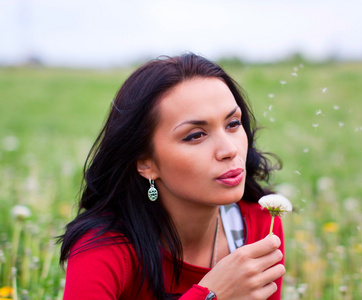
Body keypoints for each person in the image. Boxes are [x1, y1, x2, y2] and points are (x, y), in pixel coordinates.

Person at [59, 53, 285, 300]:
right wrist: (210, 295)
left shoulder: (261, 223)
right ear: (146, 162)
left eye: (232, 124)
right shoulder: (104, 246)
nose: (229, 150)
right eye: (196, 135)